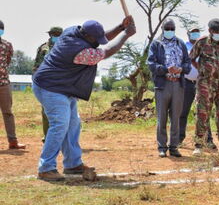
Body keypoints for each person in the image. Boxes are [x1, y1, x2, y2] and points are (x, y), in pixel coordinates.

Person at [33, 16, 136, 181]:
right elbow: (106, 51)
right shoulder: (80, 51)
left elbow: (100, 40)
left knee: (73, 124)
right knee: (60, 124)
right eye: (97, 39)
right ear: (88, 37)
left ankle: (73, 164)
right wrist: (126, 35)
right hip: (50, 87)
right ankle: (46, 168)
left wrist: (120, 27)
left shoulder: (72, 31)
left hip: (63, 87)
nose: (99, 41)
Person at [190, 18, 219, 156]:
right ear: (210, 31)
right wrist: (202, 70)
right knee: (202, 113)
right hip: (205, 84)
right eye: (215, 31)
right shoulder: (202, 42)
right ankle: (199, 145)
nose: (218, 33)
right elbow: (192, 58)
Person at [147, 19, 191, 158]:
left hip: (178, 84)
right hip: (162, 84)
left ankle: (174, 147)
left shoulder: (180, 43)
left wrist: (180, 69)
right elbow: (151, 64)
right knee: (162, 117)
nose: (170, 30)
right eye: (167, 28)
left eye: (172, 28)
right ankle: (162, 147)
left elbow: (188, 64)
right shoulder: (156, 44)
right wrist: (166, 69)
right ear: (162, 28)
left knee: (176, 118)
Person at [178, 26, 217, 150]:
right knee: (183, 112)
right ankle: (178, 139)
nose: (195, 34)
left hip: (203, 83)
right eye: (193, 32)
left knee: (203, 112)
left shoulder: (204, 46)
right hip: (187, 82)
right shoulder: (183, 46)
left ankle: (208, 140)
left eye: (197, 32)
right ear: (188, 34)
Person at [33, 26, 63, 142]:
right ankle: (47, 137)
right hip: (46, 84)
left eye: (58, 34)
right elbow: (36, 66)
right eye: (54, 34)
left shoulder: (66, 48)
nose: (56, 36)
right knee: (46, 112)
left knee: (64, 112)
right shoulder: (43, 48)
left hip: (62, 84)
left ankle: (62, 137)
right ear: (50, 35)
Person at [0, 20, 26, 150]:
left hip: (3, 83)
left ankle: (13, 141)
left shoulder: (7, 45)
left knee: (8, 113)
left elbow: (7, 61)